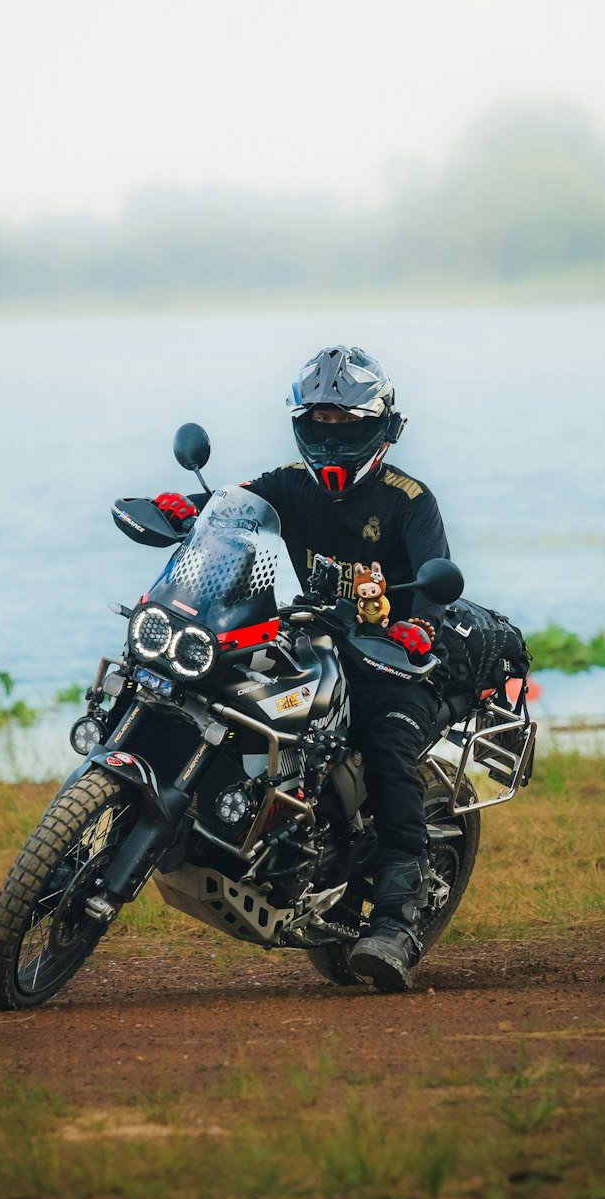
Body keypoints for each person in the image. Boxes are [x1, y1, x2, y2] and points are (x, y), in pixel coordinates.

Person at [153, 346, 451, 991]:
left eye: (347, 425)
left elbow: (434, 588)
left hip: (388, 658)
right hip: (307, 643)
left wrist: (416, 626)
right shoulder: (288, 483)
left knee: (387, 746)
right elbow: (232, 512)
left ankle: (398, 916)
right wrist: (188, 510)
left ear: (383, 427)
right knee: (213, 692)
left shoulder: (409, 500)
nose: (332, 438)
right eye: (319, 425)